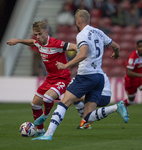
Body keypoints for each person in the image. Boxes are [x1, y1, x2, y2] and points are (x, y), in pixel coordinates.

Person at [32, 9, 128, 141]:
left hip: (86, 75)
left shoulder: (82, 35)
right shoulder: (99, 32)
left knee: (64, 103)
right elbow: (116, 46)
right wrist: (116, 54)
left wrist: (66, 65)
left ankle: (48, 134)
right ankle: (116, 107)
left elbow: (82, 54)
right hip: (99, 77)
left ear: (78, 22)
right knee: (86, 118)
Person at [7, 21, 76, 136]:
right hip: (50, 79)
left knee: (48, 98)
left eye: (40, 34)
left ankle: (45, 115)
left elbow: (74, 47)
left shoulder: (56, 43)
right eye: (36, 35)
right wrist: (17, 41)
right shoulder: (39, 43)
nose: (37, 37)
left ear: (46, 32)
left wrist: (78, 56)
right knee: (34, 104)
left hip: (62, 78)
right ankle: (40, 131)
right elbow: (31, 42)